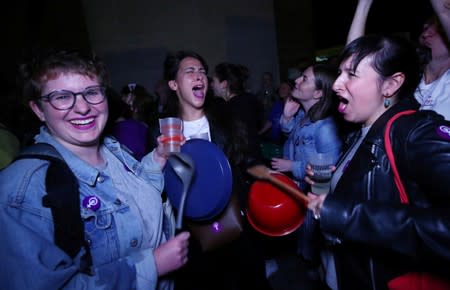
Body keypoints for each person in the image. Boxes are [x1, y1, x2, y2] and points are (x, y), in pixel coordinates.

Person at [0, 49, 190, 289]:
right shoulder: (19, 192)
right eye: (62, 96)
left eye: (91, 92)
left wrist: (157, 158)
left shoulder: (113, 149)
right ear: (39, 109)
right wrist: (151, 265)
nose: (82, 108)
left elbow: (134, 193)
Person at [307, 34, 450, 290]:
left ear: (391, 85)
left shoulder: (415, 133)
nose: (337, 84)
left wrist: (347, 215)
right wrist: (331, 185)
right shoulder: (360, 132)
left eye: (351, 75)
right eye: (339, 73)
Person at [163, 50, 271, 290]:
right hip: (194, 232)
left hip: (235, 221)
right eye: (190, 71)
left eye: (202, 71)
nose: (199, 75)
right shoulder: (165, 131)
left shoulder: (226, 118)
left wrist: (269, 178)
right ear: (173, 84)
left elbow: (247, 159)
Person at [271, 63, 342, 285]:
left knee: (315, 250)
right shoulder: (304, 115)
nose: (297, 81)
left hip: (315, 197)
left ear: (319, 93)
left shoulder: (326, 127)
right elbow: (291, 137)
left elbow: (327, 168)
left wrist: (291, 167)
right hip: (300, 192)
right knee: (303, 244)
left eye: (304, 79)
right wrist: (286, 118)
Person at [346, 0, 450, 120]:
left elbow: (445, 11)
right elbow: (353, 63)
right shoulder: (403, 79)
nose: (426, 34)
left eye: (441, 30)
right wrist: (364, 4)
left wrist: (443, 12)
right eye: (425, 28)